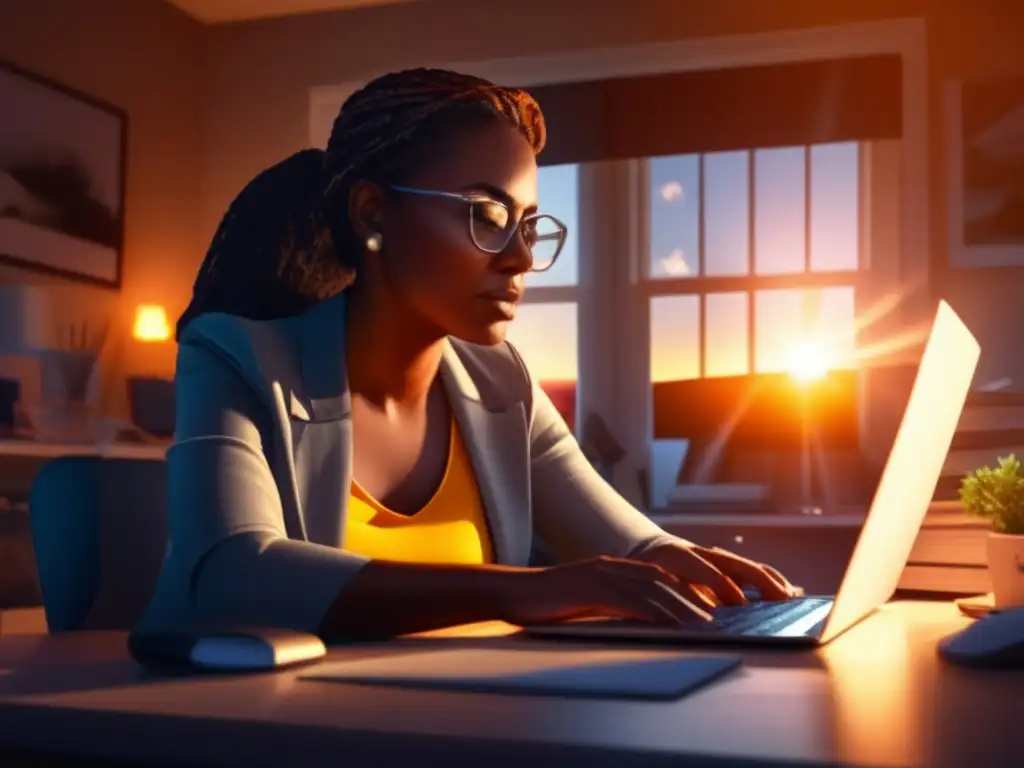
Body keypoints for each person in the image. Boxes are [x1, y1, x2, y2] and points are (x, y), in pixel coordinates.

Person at [138, 68, 797, 641]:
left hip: (454, 721)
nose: (522, 257)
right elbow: (231, 573)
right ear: (372, 214)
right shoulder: (234, 356)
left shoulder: (501, 383)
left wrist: (692, 566)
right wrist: (520, 590)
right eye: (487, 214)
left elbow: (625, 543)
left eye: (530, 223)